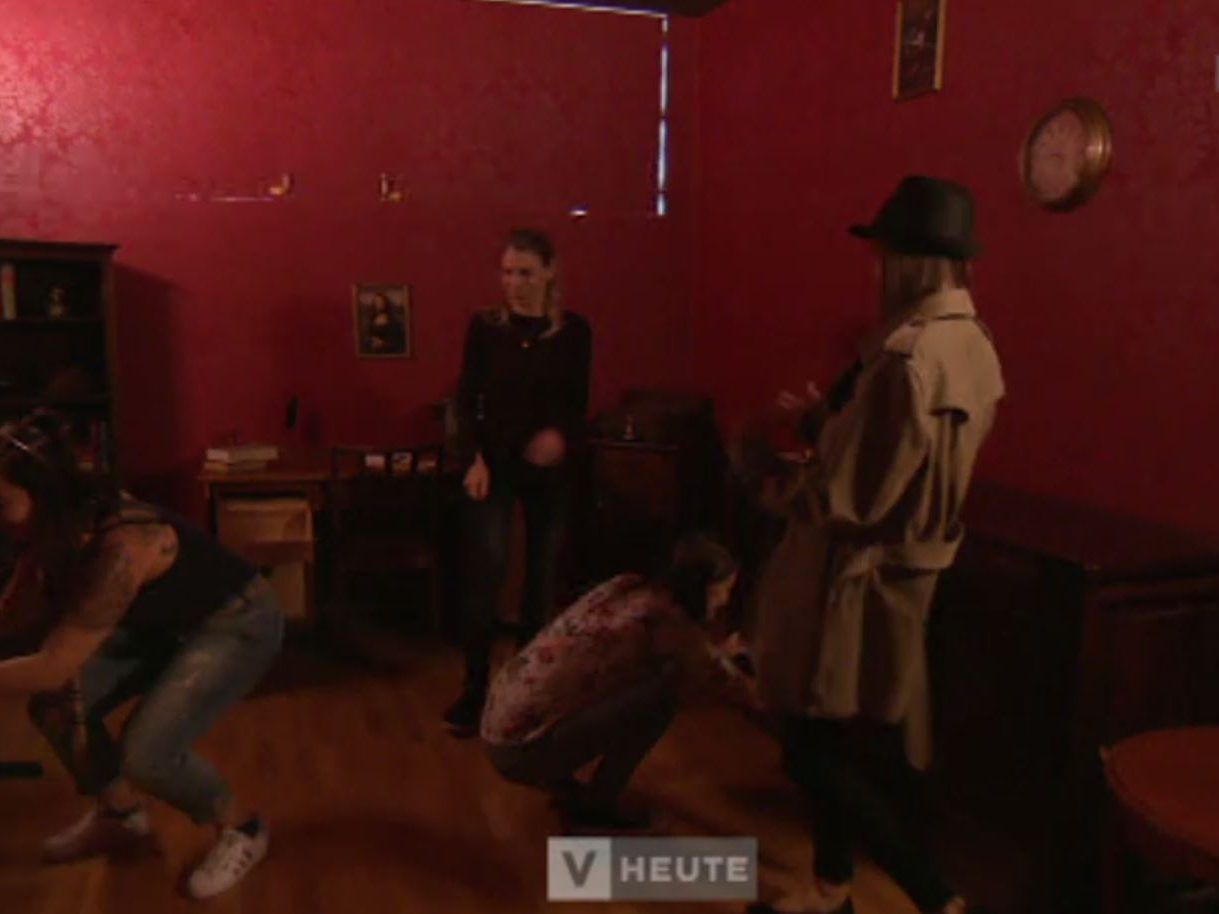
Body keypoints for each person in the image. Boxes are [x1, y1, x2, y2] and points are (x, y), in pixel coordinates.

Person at [747, 176, 1005, 914]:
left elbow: (845, 498)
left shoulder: (906, 357)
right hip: (903, 570)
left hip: (849, 577)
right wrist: (830, 425)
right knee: (829, 737)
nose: (875, 272)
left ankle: (935, 896)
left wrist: (766, 481)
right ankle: (831, 888)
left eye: (884, 257)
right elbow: (904, 458)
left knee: (810, 747)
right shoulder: (973, 345)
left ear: (909, 263)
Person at [0, 411, 283, 899]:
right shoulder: (52, 527)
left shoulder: (123, 546)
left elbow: (54, 664)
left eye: (1, 502)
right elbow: (14, 613)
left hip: (234, 622)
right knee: (56, 706)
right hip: (160, 625)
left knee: (147, 753)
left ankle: (244, 829)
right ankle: (120, 816)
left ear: (44, 495)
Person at [481, 535, 755, 830]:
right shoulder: (672, 624)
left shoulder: (626, 586)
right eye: (723, 591)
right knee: (662, 697)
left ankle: (561, 778)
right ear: (700, 589)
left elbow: (693, 654)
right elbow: (735, 687)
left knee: (638, 680)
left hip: (497, 726)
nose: (725, 601)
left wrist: (712, 655)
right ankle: (595, 807)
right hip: (518, 751)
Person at [443, 228, 593, 736]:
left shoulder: (573, 332)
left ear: (550, 273)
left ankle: (527, 694)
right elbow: (466, 399)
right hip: (494, 462)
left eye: (525, 273)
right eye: (507, 273)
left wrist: (560, 437)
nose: (515, 284)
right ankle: (475, 690)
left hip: (547, 468)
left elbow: (576, 404)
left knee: (542, 582)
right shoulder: (486, 328)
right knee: (485, 573)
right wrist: (473, 458)